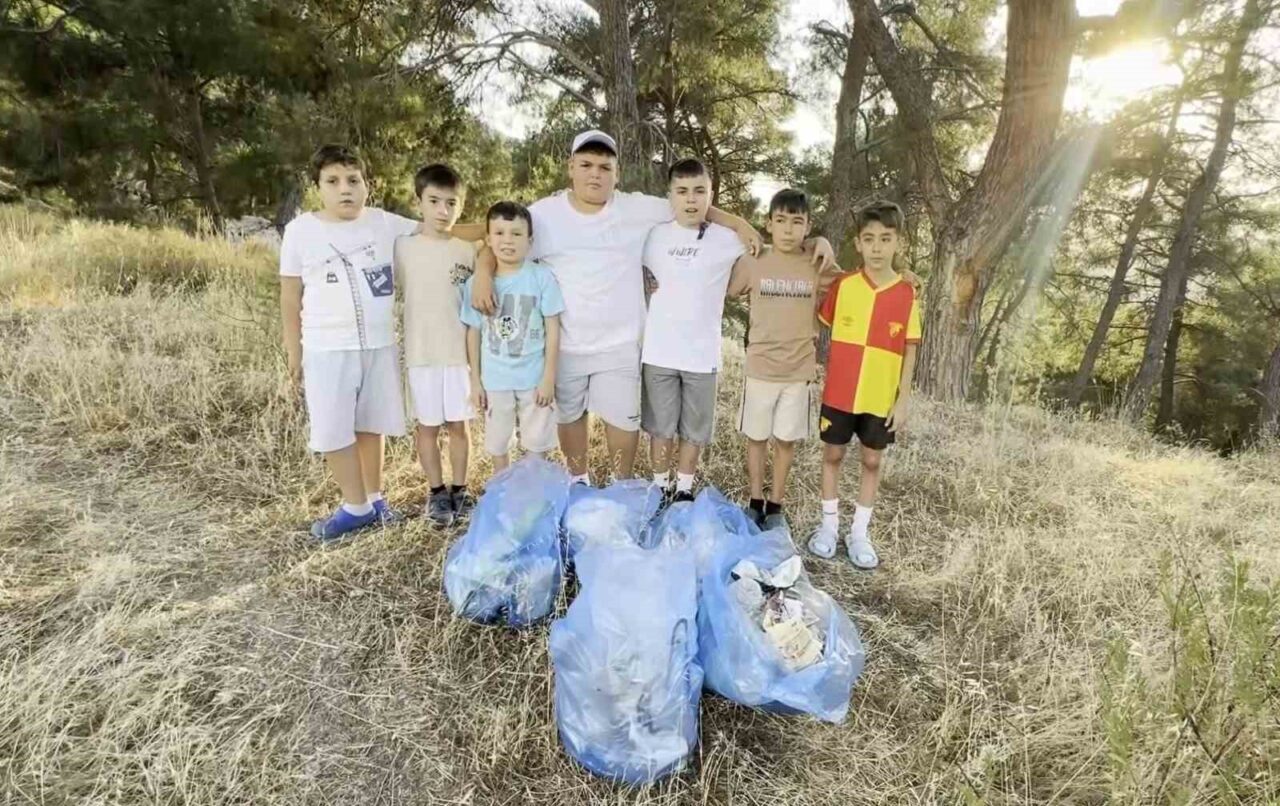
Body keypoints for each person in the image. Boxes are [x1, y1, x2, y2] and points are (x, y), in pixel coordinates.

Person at [470, 130, 833, 485]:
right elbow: (502, 236)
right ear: (571, 167)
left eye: (604, 166)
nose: (595, 173)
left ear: (616, 173)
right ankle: (578, 480)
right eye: (586, 164)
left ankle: (621, 485)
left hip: (621, 342)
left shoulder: (637, 208)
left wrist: (742, 224)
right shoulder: (545, 214)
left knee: (624, 423)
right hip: (566, 341)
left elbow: (692, 206)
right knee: (570, 416)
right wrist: (484, 271)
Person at [280, 144, 421, 541]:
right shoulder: (301, 231)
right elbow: (290, 296)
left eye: (353, 180)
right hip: (327, 348)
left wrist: (499, 230)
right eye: (333, 181)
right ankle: (354, 506)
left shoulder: (383, 223)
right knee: (333, 428)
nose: (345, 189)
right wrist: (295, 354)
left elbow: (434, 232)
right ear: (318, 187)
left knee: (369, 423)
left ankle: (374, 499)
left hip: (378, 345)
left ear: (367, 185)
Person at [808, 201, 921, 569]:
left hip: (879, 396)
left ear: (897, 243)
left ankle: (859, 533)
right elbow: (818, 324)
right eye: (869, 239)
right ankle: (828, 527)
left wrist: (902, 400)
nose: (876, 247)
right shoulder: (845, 286)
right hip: (839, 392)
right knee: (833, 455)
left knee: (872, 461)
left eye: (885, 239)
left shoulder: (907, 293)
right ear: (858, 243)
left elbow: (910, 350)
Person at [731, 189, 846, 534]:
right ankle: (754, 501)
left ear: (808, 226)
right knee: (756, 437)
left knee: (785, 441)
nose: (788, 229)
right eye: (780, 221)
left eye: (798, 222)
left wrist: (824, 243)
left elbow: (850, 287)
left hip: (798, 371)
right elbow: (721, 284)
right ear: (768, 224)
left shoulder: (816, 263)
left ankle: (776, 504)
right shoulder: (754, 260)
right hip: (760, 368)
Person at [639, 158, 746, 502]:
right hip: (658, 351)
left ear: (710, 195)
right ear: (670, 195)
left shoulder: (727, 239)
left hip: (702, 355)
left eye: (700, 191)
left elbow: (764, 250)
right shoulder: (652, 235)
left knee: (693, 430)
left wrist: (823, 246)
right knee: (660, 427)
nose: (691, 199)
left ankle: (683, 489)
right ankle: (659, 484)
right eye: (682, 191)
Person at [397, 163, 477, 526]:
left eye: (451, 203)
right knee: (427, 427)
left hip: (458, 354)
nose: (443, 211)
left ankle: (461, 489)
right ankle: (436, 492)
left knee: (459, 426)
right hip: (421, 353)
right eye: (434, 201)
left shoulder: (466, 250)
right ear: (420, 203)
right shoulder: (403, 247)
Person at [460, 202, 566, 474]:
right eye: (500, 233)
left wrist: (548, 378)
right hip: (495, 379)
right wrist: (475, 381)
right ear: (488, 239)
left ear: (529, 241)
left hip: (534, 377)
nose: (507, 240)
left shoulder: (540, 277)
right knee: (498, 442)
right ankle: (502, 490)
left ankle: (534, 493)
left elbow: (553, 327)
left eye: (516, 234)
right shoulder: (476, 284)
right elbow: (473, 332)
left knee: (537, 442)